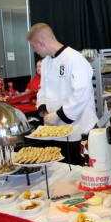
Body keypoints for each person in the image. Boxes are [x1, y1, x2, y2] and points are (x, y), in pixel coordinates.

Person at [27, 23, 98, 166]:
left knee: (79, 173)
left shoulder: (74, 58)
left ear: (41, 42)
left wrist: (59, 115)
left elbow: (81, 93)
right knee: (61, 173)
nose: (34, 51)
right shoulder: (46, 62)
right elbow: (43, 89)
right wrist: (43, 110)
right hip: (56, 131)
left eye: (34, 46)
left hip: (79, 130)